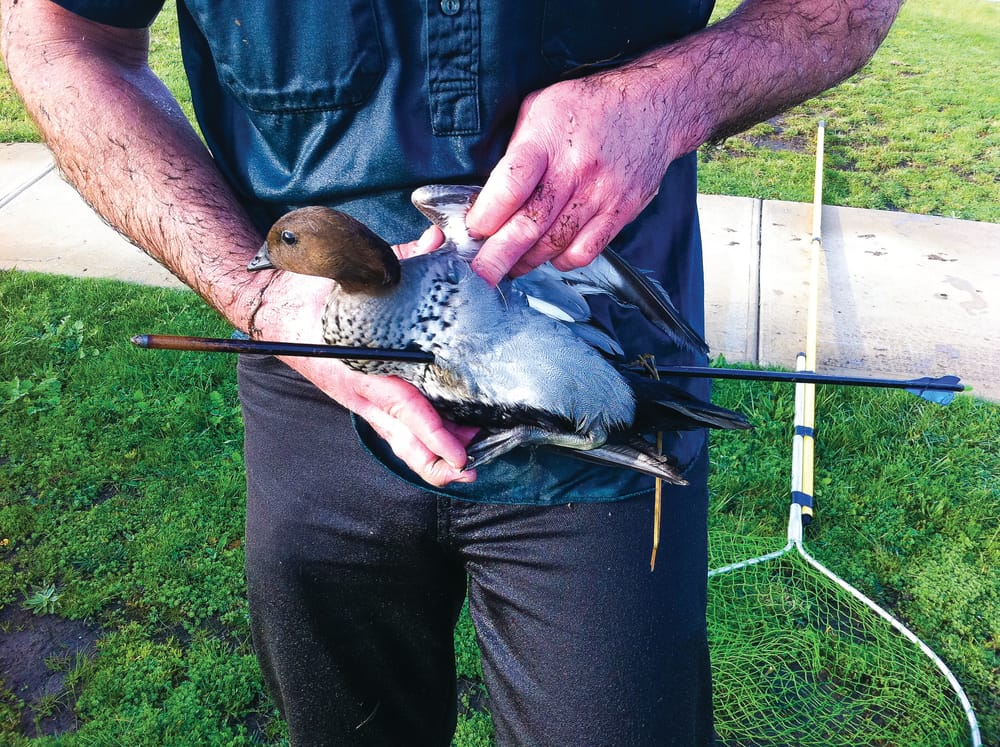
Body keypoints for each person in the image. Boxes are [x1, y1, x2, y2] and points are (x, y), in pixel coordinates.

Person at [1, 0, 901, 744]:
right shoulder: (292, 295)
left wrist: (664, 99)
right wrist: (264, 305)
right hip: (311, 381)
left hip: (595, 379)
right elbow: (59, 36)